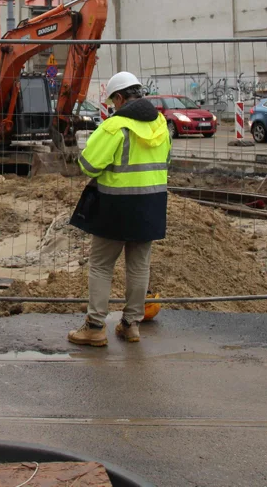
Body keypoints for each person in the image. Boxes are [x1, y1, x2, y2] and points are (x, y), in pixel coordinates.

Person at [67, 71, 171, 346]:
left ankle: (94, 327)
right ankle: (131, 325)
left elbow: (88, 165)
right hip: (152, 203)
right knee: (139, 266)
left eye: (114, 101)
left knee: (101, 265)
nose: (113, 107)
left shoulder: (115, 126)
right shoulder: (160, 123)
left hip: (116, 204)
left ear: (121, 98)